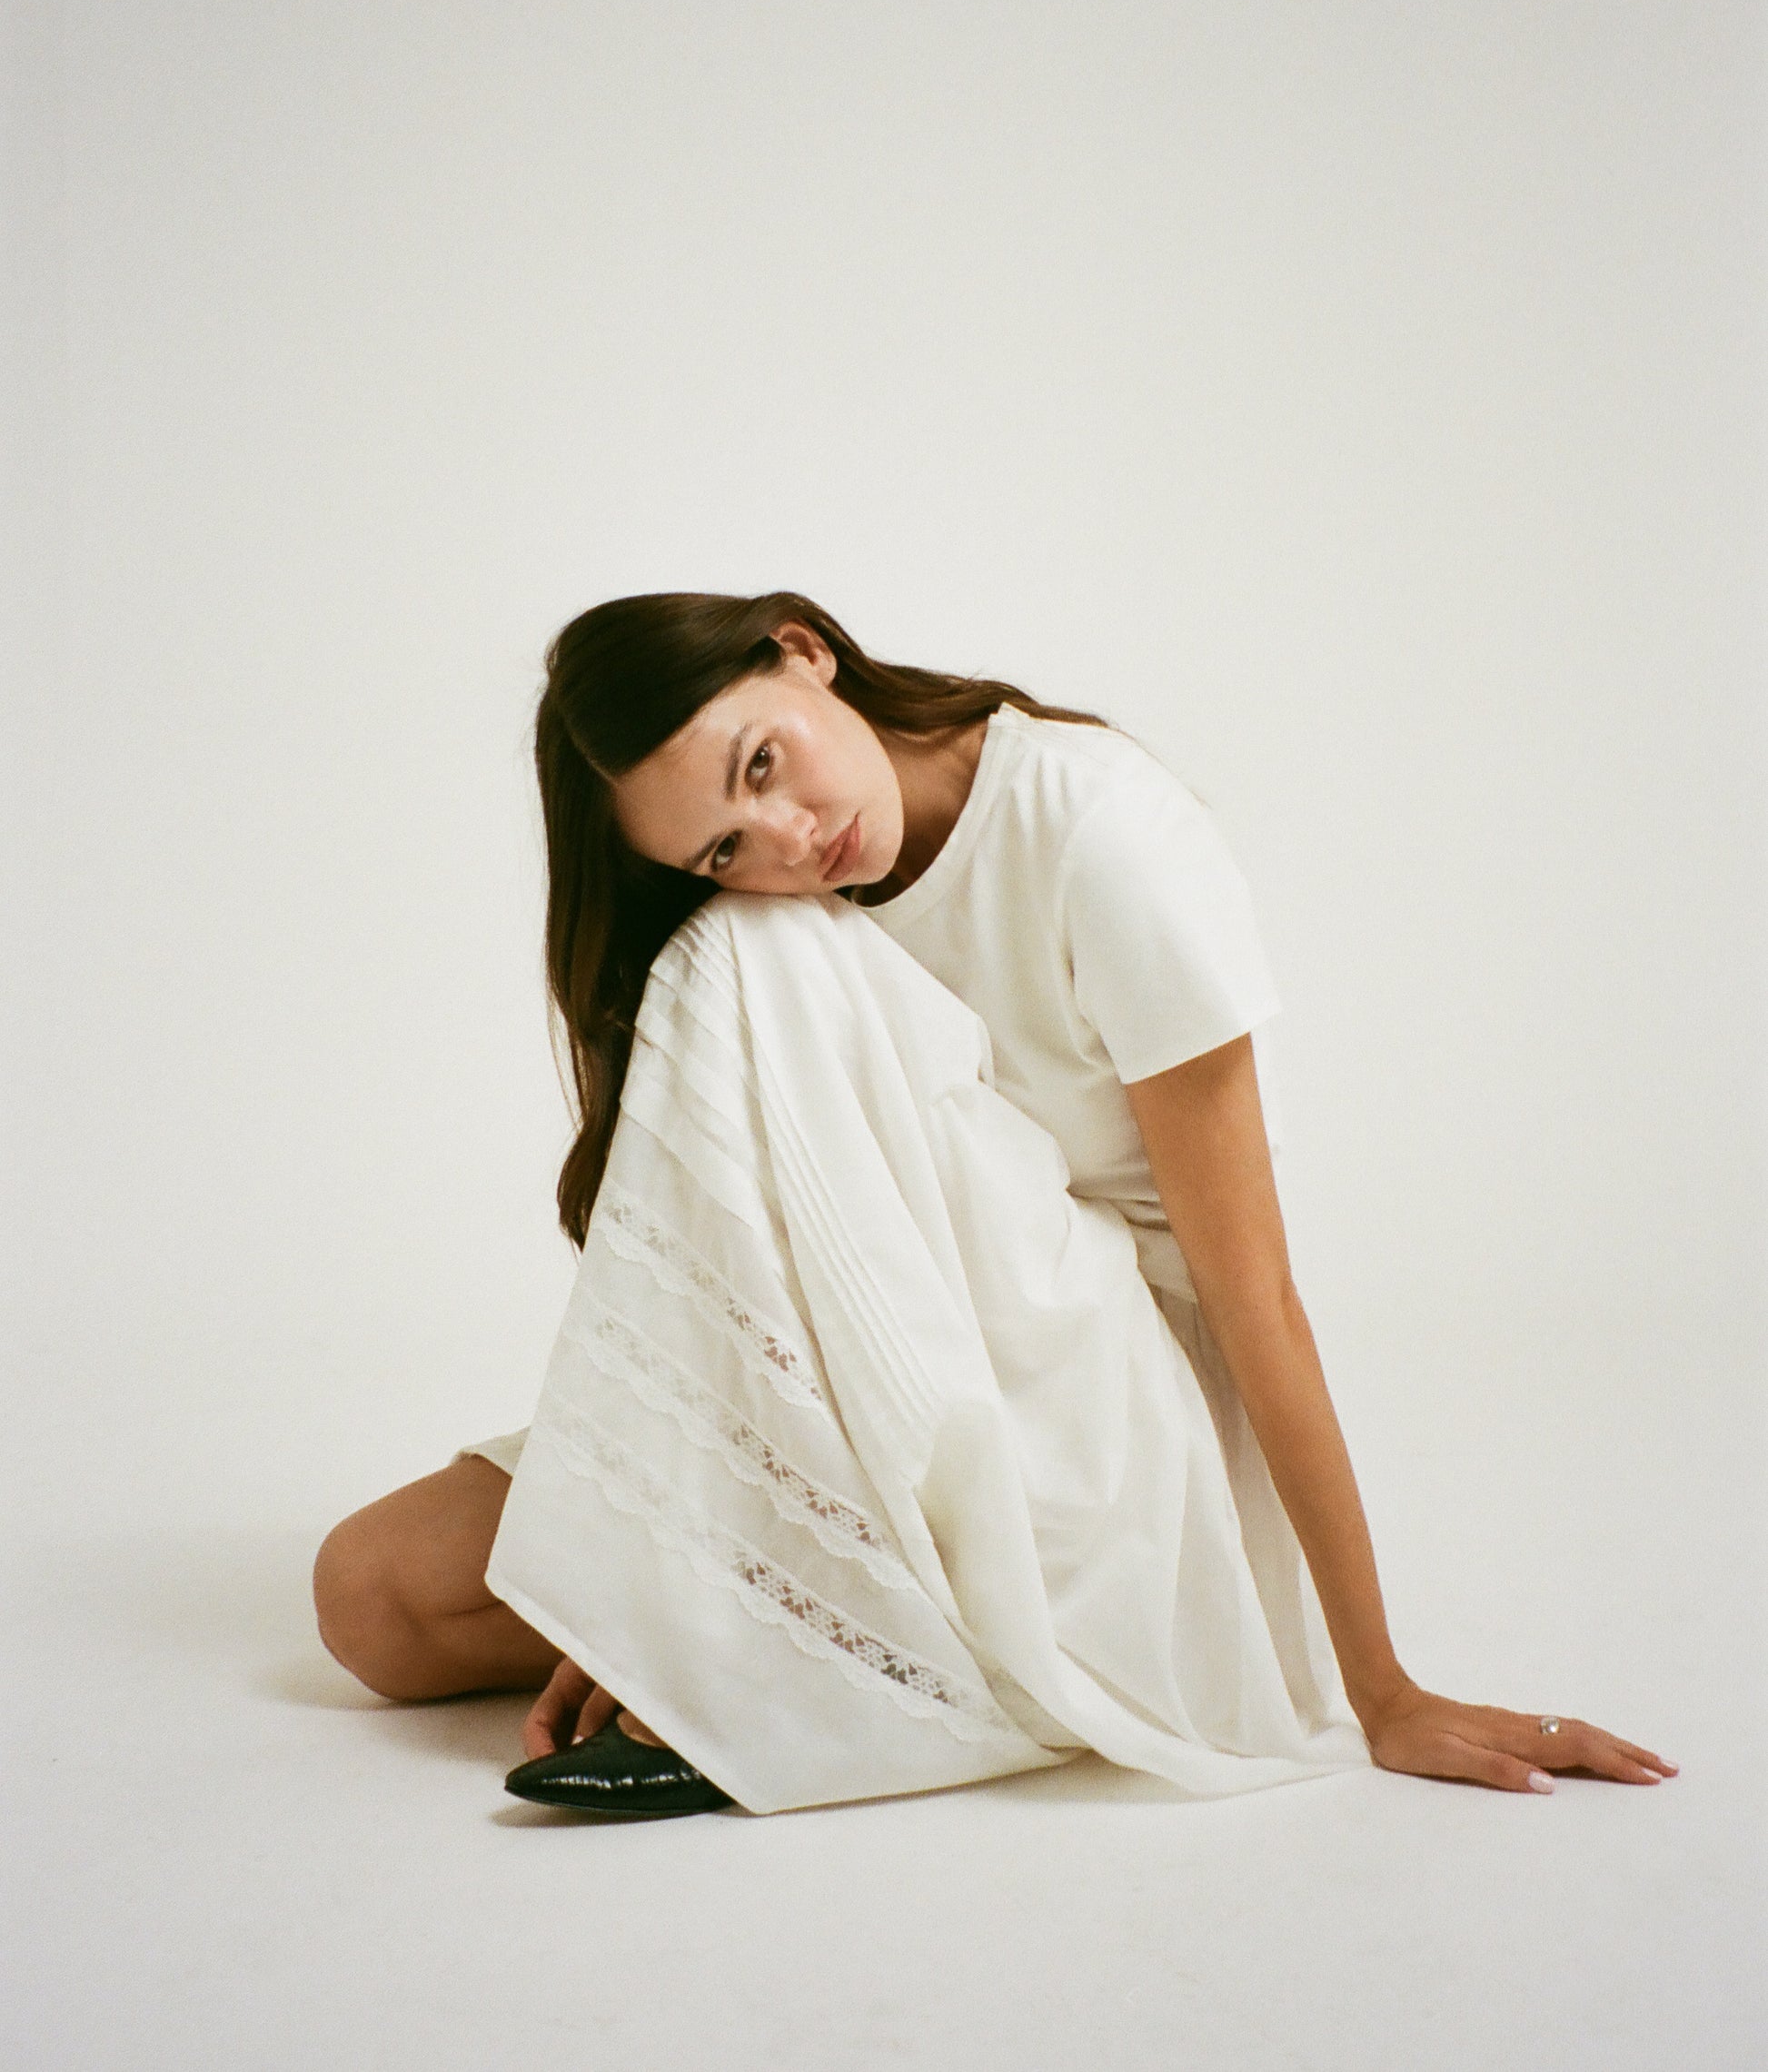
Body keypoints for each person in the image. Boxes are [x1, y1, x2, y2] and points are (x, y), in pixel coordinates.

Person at [312, 590, 1676, 1820]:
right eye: (724, 846)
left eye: (765, 763)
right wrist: (681, 1554)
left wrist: (1381, 1687)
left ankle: (790, 1650)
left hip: (1112, 1431)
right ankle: (769, 1615)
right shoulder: (809, 891)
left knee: (757, 957)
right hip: (899, 1368)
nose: (790, 841)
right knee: (376, 1600)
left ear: (802, 651)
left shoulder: (1099, 835)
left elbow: (1250, 1292)